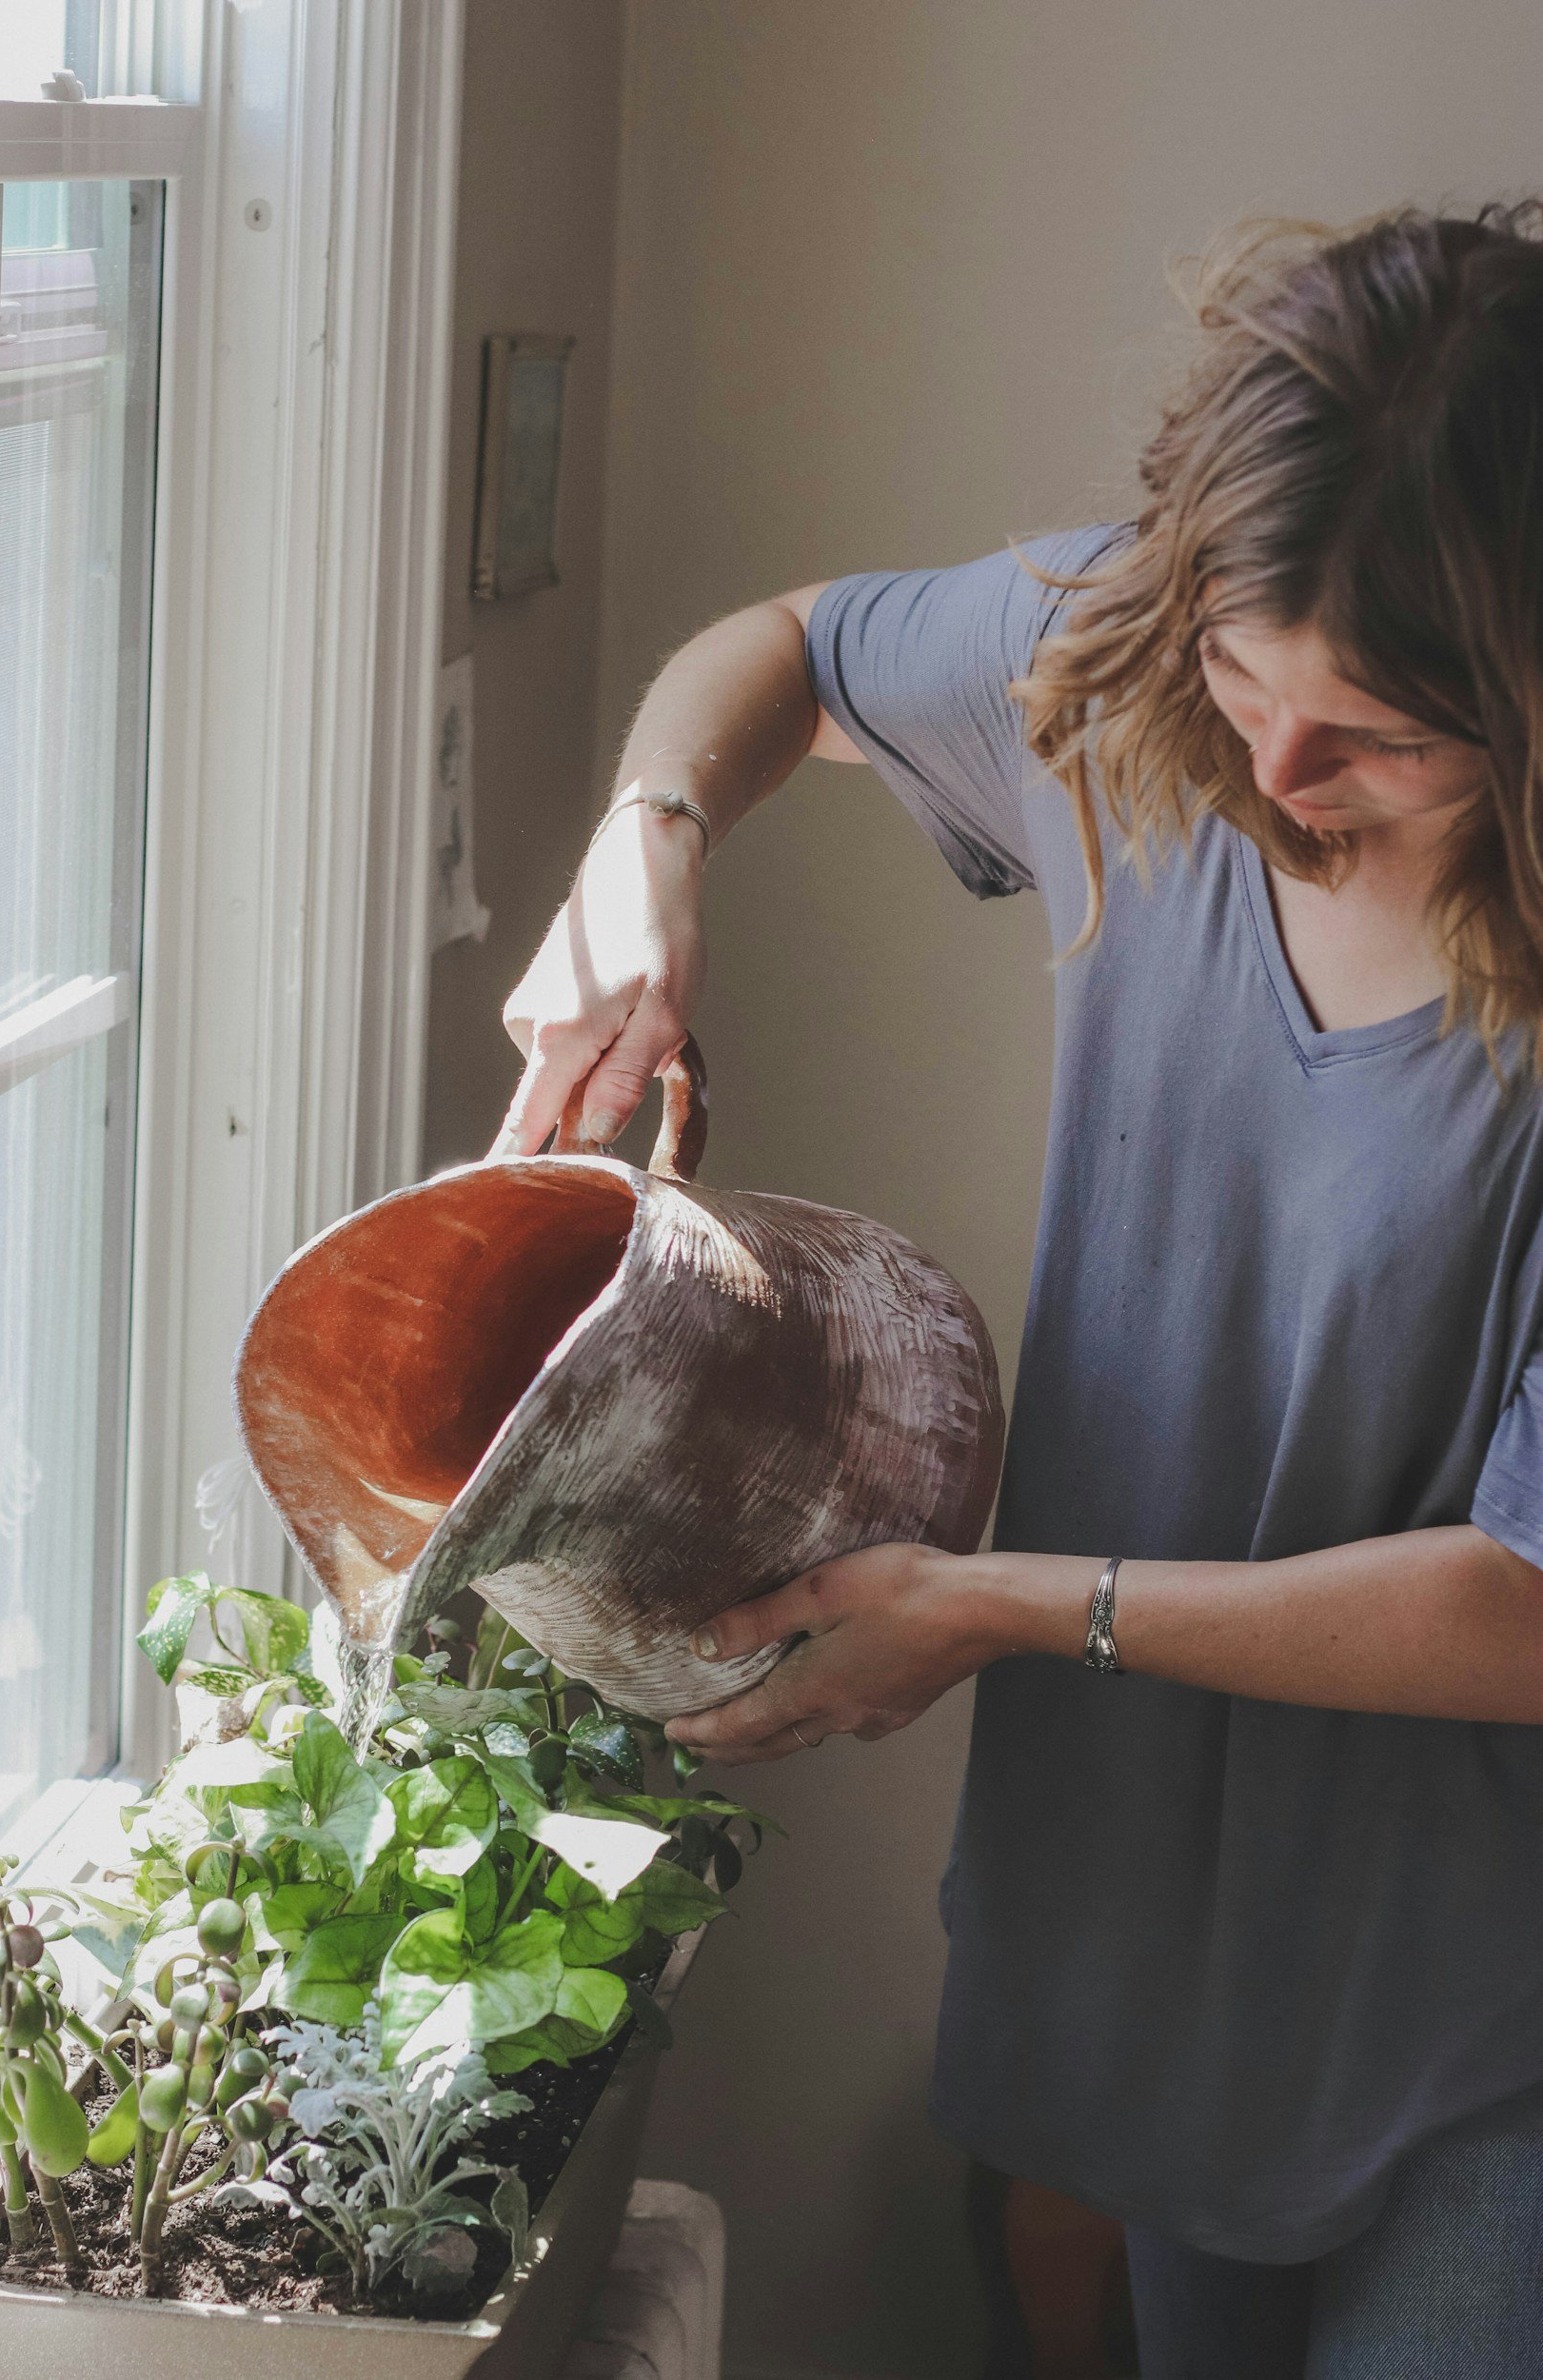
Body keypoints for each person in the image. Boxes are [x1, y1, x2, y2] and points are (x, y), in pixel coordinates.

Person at [491, 206, 1543, 2377]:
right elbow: (782, 647)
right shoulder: (1136, 676)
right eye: (1251, 686)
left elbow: (1530, 1603)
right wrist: (653, 827)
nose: (1276, 776)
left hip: (1481, 2016)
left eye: (1379, 739)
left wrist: (990, 1605)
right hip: (1160, 1969)